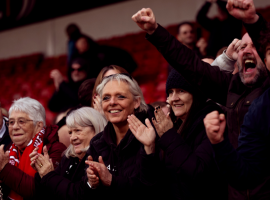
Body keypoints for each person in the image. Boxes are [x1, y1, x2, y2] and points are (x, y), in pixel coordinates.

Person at [131, 7, 269, 151]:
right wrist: (155, 31)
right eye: (243, 46)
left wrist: (252, 20)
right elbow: (191, 65)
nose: (246, 50)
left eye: (255, 46)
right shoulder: (231, 86)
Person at [204, 0, 270, 199]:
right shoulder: (258, 111)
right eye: (268, 52)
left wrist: (252, 20)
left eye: (255, 46)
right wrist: (219, 143)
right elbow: (244, 176)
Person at [128, 68, 227, 199]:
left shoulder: (211, 122)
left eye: (181, 91)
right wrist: (149, 148)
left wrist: (169, 135)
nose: (173, 98)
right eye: (170, 92)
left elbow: (199, 174)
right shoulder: (173, 125)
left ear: (196, 93)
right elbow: (152, 182)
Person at [84, 74, 156, 200]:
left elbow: (150, 190)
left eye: (121, 97)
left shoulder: (151, 137)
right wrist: (91, 182)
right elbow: (86, 192)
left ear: (136, 102)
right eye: (106, 98)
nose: (112, 102)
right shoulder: (96, 142)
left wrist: (112, 181)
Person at [29, 107, 107, 200]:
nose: (72, 138)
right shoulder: (68, 158)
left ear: (95, 128)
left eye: (77, 130)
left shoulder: (102, 158)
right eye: (70, 132)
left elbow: (78, 195)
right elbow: (46, 193)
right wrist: (41, 171)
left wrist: (48, 175)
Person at [0, 97, 66, 200]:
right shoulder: (8, 149)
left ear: (38, 126)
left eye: (21, 121)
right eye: (11, 122)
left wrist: (4, 168)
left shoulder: (55, 149)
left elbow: (37, 191)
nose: (15, 127)